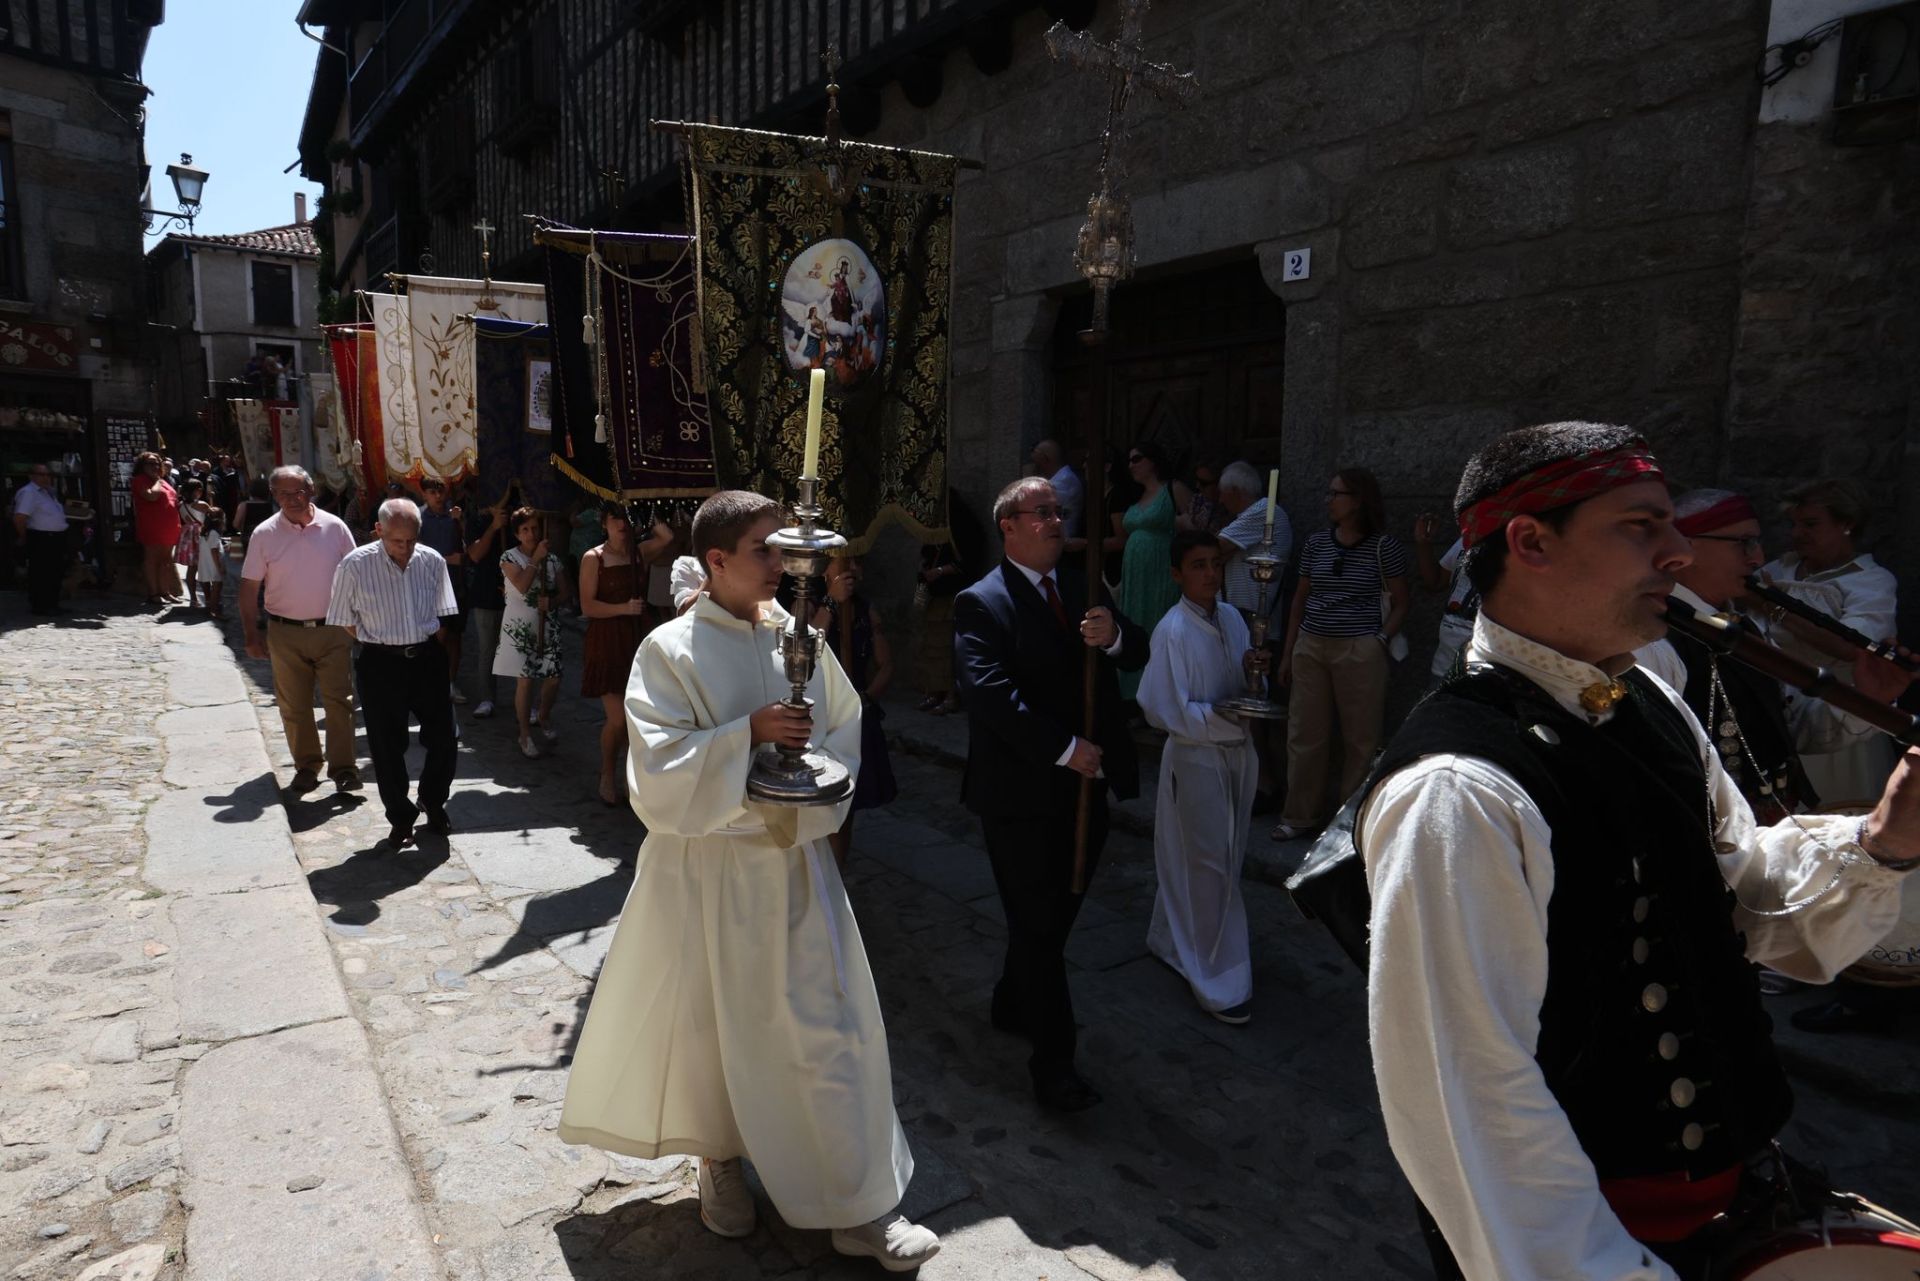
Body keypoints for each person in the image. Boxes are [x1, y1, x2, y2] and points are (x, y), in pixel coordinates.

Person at [1355, 421, 1920, 1281]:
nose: (1680, 554)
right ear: (1531, 542)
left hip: (1733, 1203)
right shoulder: (1460, 789)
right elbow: (1470, 1099)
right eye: (1642, 526)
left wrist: (1887, 834)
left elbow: (1746, 896)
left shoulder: (1648, 697)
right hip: (1601, 1246)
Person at [558, 489, 939, 1270]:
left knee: (832, 1032)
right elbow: (656, 774)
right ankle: (719, 1159)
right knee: (708, 1029)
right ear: (719, 560)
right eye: (765, 549)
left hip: (792, 864)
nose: (784, 563)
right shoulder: (668, 651)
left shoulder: (800, 637)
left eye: (785, 547)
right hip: (706, 871)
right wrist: (749, 735)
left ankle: (858, 1203)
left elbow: (843, 724)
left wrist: (803, 790)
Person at [953, 476, 1149, 1111]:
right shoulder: (982, 602)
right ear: (1008, 525)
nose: (1056, 521)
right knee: (1039, 926)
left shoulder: (1082, 585)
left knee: (1054, 914)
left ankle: (1014, 997)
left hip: (1085, 791)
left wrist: (1112, 636)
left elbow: (1135, 646)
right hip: (1020, 795)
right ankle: (1055, 1067)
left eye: (1059, 511)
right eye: (1042, 513)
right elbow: (990, 697)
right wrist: (1066, 748)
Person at [1137, 530, 1263, 1025]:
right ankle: (1218, 975)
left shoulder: (1232, 617)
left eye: (1215, 564)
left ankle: (1172, 939)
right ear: (1176, 574)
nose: (1210, 574)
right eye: (1198, 566)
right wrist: (1228, 717)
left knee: (1226, 854)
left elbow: (1241, 685)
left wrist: (1255, 675)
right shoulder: (1172, 631)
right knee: (1207, 862)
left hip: (1237, 752)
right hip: (1196, 758)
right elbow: (1162, 707)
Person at [1633, 490, 1819, 823]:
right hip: (1710, 839)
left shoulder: (1742, 626)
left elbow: (1790, 728)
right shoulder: (1655, 640)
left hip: (1770, 832)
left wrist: (1872, 697)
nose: (1757, 558)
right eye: (1744, 542)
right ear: (1687, 546)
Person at [1271, 467, 1409, 841]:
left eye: (1337, 494)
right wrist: (1289, 653)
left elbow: (1401, 602)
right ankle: (1298, 817)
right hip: (1312, 646)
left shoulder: (1385, 547)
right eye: (1329, 493)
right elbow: (1299, 600)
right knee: (1304, 734)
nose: (1329, 500)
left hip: (1359, 650)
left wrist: (1379, 640)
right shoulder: (1316, 544)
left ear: (1359, 500)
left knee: (1361, 740)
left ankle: (1346, 827)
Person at [326, 498, 459, 850]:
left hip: (426, 657)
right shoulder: (354, 565)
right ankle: (400, 818)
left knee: (445, 738)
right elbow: (344, 620)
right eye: (397, 540)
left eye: (411, 540)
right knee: (387, 746)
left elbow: (444, 611)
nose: (405, 548)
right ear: (379, 531)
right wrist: (380, 640)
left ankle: (433, 800)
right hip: (380, 663)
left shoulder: (431, 561)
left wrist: (427, 643)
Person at [1758, 478, 1900, 806]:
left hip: (1840, 719)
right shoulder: (1783, 567)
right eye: (1793, 524)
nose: (1797, 534)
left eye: (1811, 524)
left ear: (1846, 524)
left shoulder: (1871, 582)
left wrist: (1773, 607)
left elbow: (1853, 646)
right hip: (1780, 714)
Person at [239, 466, 363, 794]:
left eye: (299, 492)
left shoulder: (335, 527)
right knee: (294, 705)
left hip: (334, 628)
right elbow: (250, 586)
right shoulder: (264, 534)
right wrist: (251, 634)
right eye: (284, 493)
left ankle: (344, 769)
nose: (293, 499)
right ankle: (307, 766)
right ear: (274, 496)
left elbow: (356, 575)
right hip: (285, 632)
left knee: (340, 700)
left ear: (311, 491)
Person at [580, 501, 673, 804]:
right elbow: (587, 606)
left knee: (638, 720)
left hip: (637, 638)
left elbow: (667, 538)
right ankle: (607, 773)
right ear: (604, 523)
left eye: (625, 518)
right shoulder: (594, 558)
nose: (621, 523)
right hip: (607, 640)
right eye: (615, 518)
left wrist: (645, 506)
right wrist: (623, 608)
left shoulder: (639, 553)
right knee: (618, 719)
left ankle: (630, 777)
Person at [808, 557, 896, 868]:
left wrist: (867, 697)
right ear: (823, 570)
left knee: (848, 805)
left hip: (855, 713)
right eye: (842, 562)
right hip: (819, 716)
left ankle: (836, 876)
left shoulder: (866, 609)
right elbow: (807, 651)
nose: (852, 569)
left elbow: (886, 664)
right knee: (819, 806)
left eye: (858, 562)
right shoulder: (806, 605)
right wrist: (831, 602)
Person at [1217, 461, 1292, 811]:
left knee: (1254, 704)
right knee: (1248, 703)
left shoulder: (1264, 510)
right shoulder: (1257, 515)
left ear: (1235, 491)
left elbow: (1215, 549)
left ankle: (1265, 783)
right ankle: (1258, 780)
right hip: (1245, 620)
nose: (1221, 502)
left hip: (1254, 623)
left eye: (1222, 494)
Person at [1112, 441, 1190, 702]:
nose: (1131, 465)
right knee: (1136, 627)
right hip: (1136, 576)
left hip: (1162, 573)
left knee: (1159, 627)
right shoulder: (1135, 497)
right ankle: (1136, 699)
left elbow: (1196, 523)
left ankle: (1163, 701)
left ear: (1153, 461)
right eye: (1129, 461)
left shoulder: (1173, 489)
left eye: (1137, 459)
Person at [496, 506, 565, 759]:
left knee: (553, 677)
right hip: (521, 625)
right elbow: (523, 586)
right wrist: (535, 559)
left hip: (547, 624)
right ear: (517, 534)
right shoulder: (509, 558)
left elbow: (565, 592)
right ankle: (524, 733)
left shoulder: (553, 559)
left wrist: (554, 603)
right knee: (525, 680)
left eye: (534, 528)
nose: (531, 533)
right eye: (525, 529)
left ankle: (543, 715)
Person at [416, 478, 470, 705]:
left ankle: (450, 682)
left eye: (440, 491)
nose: (437, 496)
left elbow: (469, 547)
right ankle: (432, 682)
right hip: (430, 586)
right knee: (437, 636)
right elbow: (415, 551)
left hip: (456, 584)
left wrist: (462, 523)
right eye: (432, 492)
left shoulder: (455, 515)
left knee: (455, 637)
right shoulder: (418, 518)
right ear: (425, 494)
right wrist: (448, 559)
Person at [463, 493, 513, 718]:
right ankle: (487, 698)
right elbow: (474, 554)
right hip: (486, 592)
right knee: (487, 650)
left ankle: (524, 701)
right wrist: (493, 527)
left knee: (519, 650)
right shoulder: (477, 518)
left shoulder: (519, 513)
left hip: (517, 592)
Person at [1411, 513, 1477, 682]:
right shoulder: (1466, 539)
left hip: (1481, 665)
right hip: (1445, 663)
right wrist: (1423, 544)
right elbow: (1435, 582)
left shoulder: (1515, 547)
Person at [11, 461, 69, 617]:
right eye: (41, 474)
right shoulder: (29, 492)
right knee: (41, 572)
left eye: (47, 475)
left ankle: (52, 603)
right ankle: (40, 605)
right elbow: (20, 517)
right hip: (41, 537)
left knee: (55, 572)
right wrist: (23, 536)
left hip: (55, 537)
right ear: (32, 476)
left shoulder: (49, 492)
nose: (45, 478)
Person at [131, 452, 183, 606]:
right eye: (150, 463)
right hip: (152, 526)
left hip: (169, 527)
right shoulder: (140, 480)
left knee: (166, 561)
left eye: (157, 463)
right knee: (152, 560)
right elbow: (151, 496)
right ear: (142, 465)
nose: (155, 466)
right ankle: (153, 594)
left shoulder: (163, 481)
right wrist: (158, 482)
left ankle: (165, 592)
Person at [1029, 438, 1084, 538]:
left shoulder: (1063, 482)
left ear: (1044, 460)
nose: (1034, 467)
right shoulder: (1062, 477)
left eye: (1036, 463)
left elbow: (1031, 506)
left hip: (1061, 544)